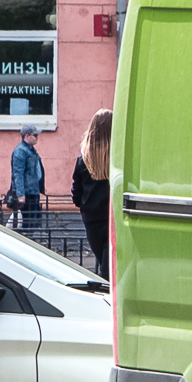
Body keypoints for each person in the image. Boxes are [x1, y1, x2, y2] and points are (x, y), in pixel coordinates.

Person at [72, 110, 112, 280]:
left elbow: (76, 194)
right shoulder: (117, 159)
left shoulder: (83, 160)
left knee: (104, 266)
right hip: (112, 218)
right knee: (108, 268)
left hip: (91, 220)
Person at [10, 124, 45, 230]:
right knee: (28, 222)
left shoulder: (31, 150)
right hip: (27, 193)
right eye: (35, 135)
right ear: (27, 136)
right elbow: (18, 173)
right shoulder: (21, 151)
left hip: (33, 191)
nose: (37, 137)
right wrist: (21, 195)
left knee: (35, 221)